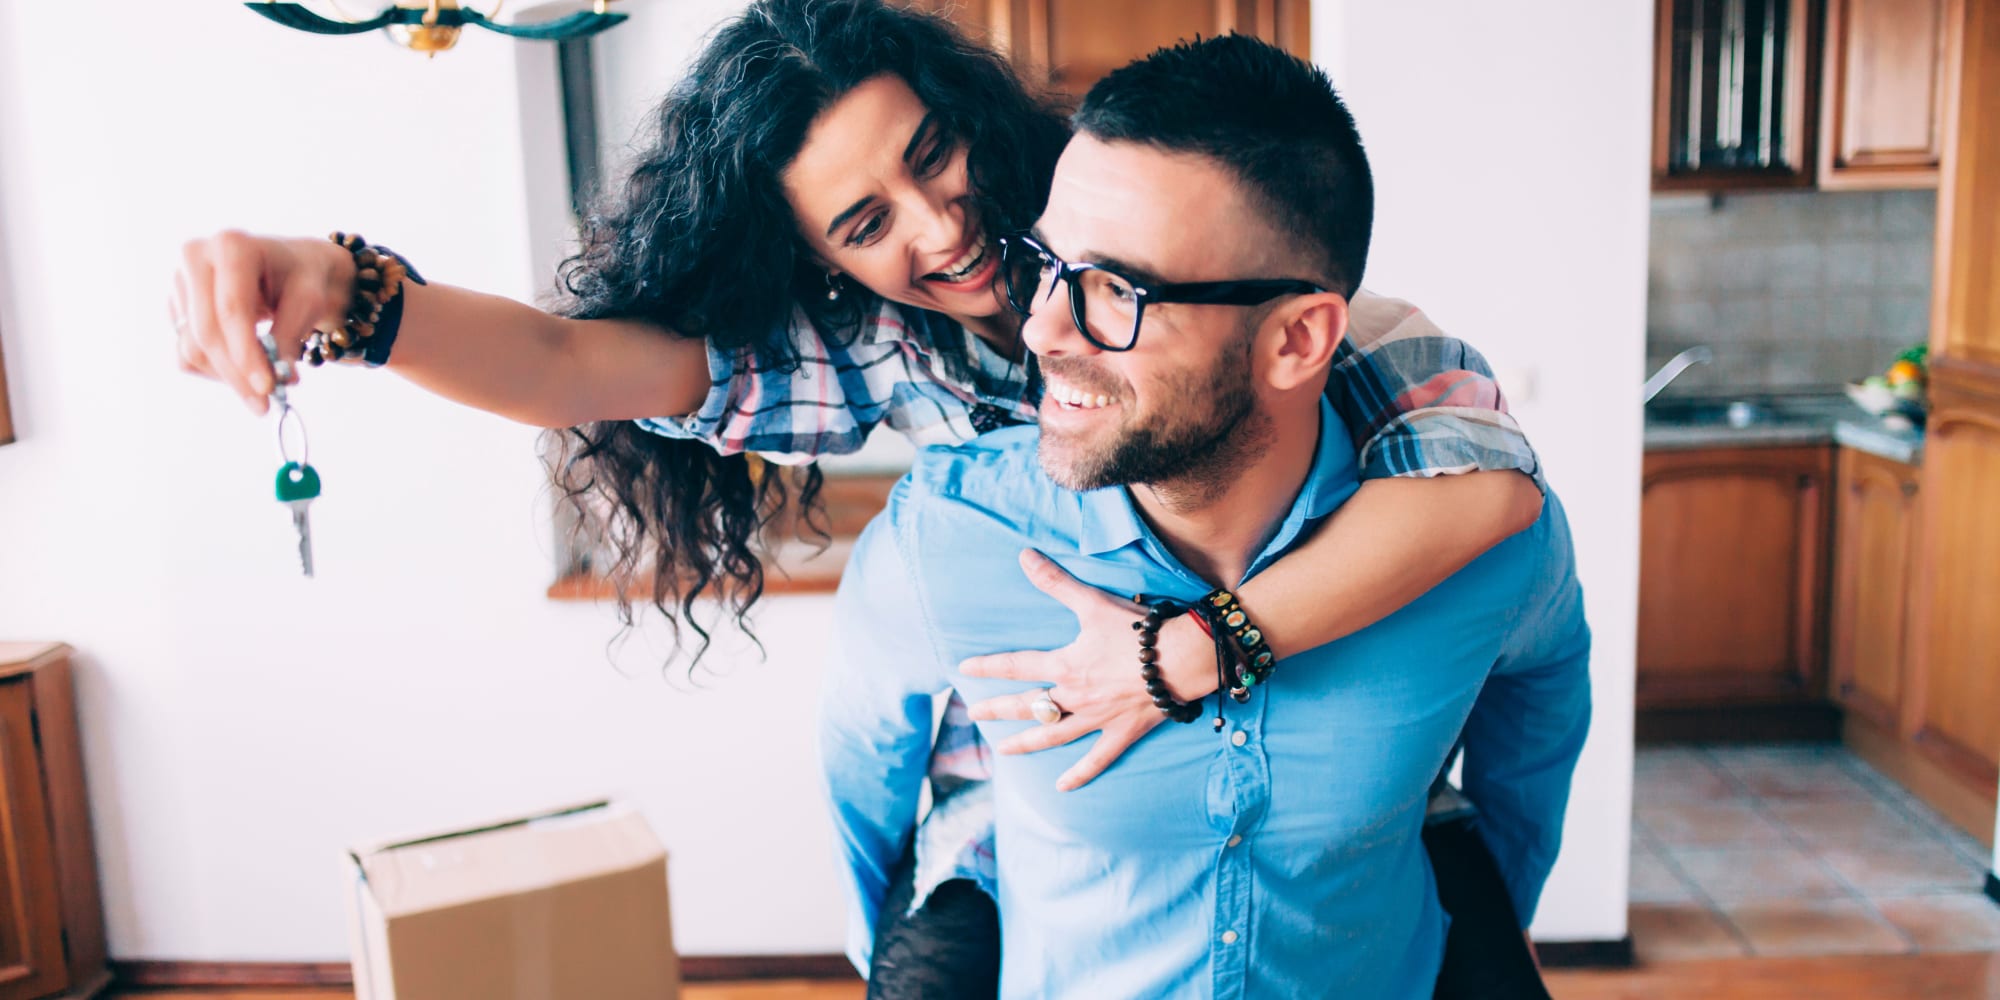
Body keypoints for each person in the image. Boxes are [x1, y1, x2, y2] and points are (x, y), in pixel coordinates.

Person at [167, 1, 1549, 994]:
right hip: (1021, 805)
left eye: (933, 155)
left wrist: (1187, 652)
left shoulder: (1294, 308)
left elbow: (1489, 500)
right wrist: (350, 295)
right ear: (820, 264)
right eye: (866, 221)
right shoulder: (883, 360)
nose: (942, 229)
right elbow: (559, 361)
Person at [821, 34, 1592, 999]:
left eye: (1116, 292)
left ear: (1298, 339)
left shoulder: (1479, 545)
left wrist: (1489, 913)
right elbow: (866, 780)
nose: (1041, 329)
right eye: (1049, 267)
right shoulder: (947, 545)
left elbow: (1546, 690)